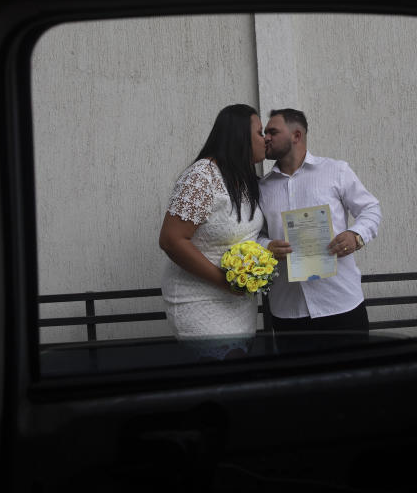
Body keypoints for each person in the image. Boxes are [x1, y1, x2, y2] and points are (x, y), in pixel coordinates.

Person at [258, 108, 381, 350]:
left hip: (341, 304)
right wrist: (267, 246)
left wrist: (356, 236)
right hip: (288, 311)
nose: (266, 138)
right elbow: (256, 234)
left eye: (272, 131)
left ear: (296, 136)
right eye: (264, 133)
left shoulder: (336, 171)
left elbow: (371, 209)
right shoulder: (262, 187)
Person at [159, 103, 267, 360]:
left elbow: (243, 235)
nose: (266, 140)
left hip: (238, 304)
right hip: (200, 301)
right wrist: (224, 281)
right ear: (240, 136)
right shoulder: (202, 177)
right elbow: (171, 240)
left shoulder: (243, 179)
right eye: (260, 133)